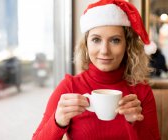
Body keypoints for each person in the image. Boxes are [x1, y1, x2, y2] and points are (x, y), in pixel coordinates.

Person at [32, 0, 160, 140]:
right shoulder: (69, 87)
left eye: (115, 40)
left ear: (127, 45)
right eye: (96, 40)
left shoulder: (141, 91)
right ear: (86, 45)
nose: (104, 51)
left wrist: (135, 123)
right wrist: (57, 121)